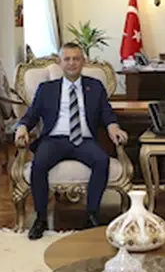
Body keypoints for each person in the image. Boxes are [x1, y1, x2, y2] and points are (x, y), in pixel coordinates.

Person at [16, 43, 128, 239]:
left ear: (83, 61)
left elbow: (106, 112)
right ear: (60, 63)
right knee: (39, 164)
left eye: (76, 59)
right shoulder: (46, 89)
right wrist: (22, 126)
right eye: (67, 59)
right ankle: (40, 218)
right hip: (54, 139)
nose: (71, 63)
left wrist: (113, 126)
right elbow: (31, 115)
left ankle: (92, 214)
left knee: (101, 161)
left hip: (84, 140)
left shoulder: (95, 86)